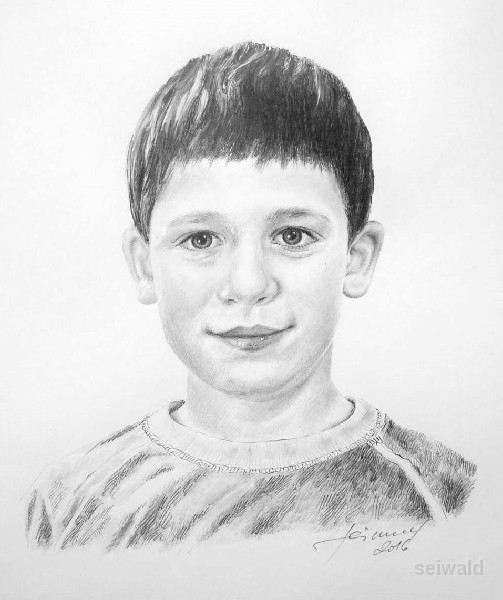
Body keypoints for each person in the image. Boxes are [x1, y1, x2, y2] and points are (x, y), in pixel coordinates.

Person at [26, 42, 476, 551]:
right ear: (144, 264)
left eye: (292, 236)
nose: (248, 285)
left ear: (357, 257)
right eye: (201, 240)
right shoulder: (68, 503)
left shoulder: (452, 499)